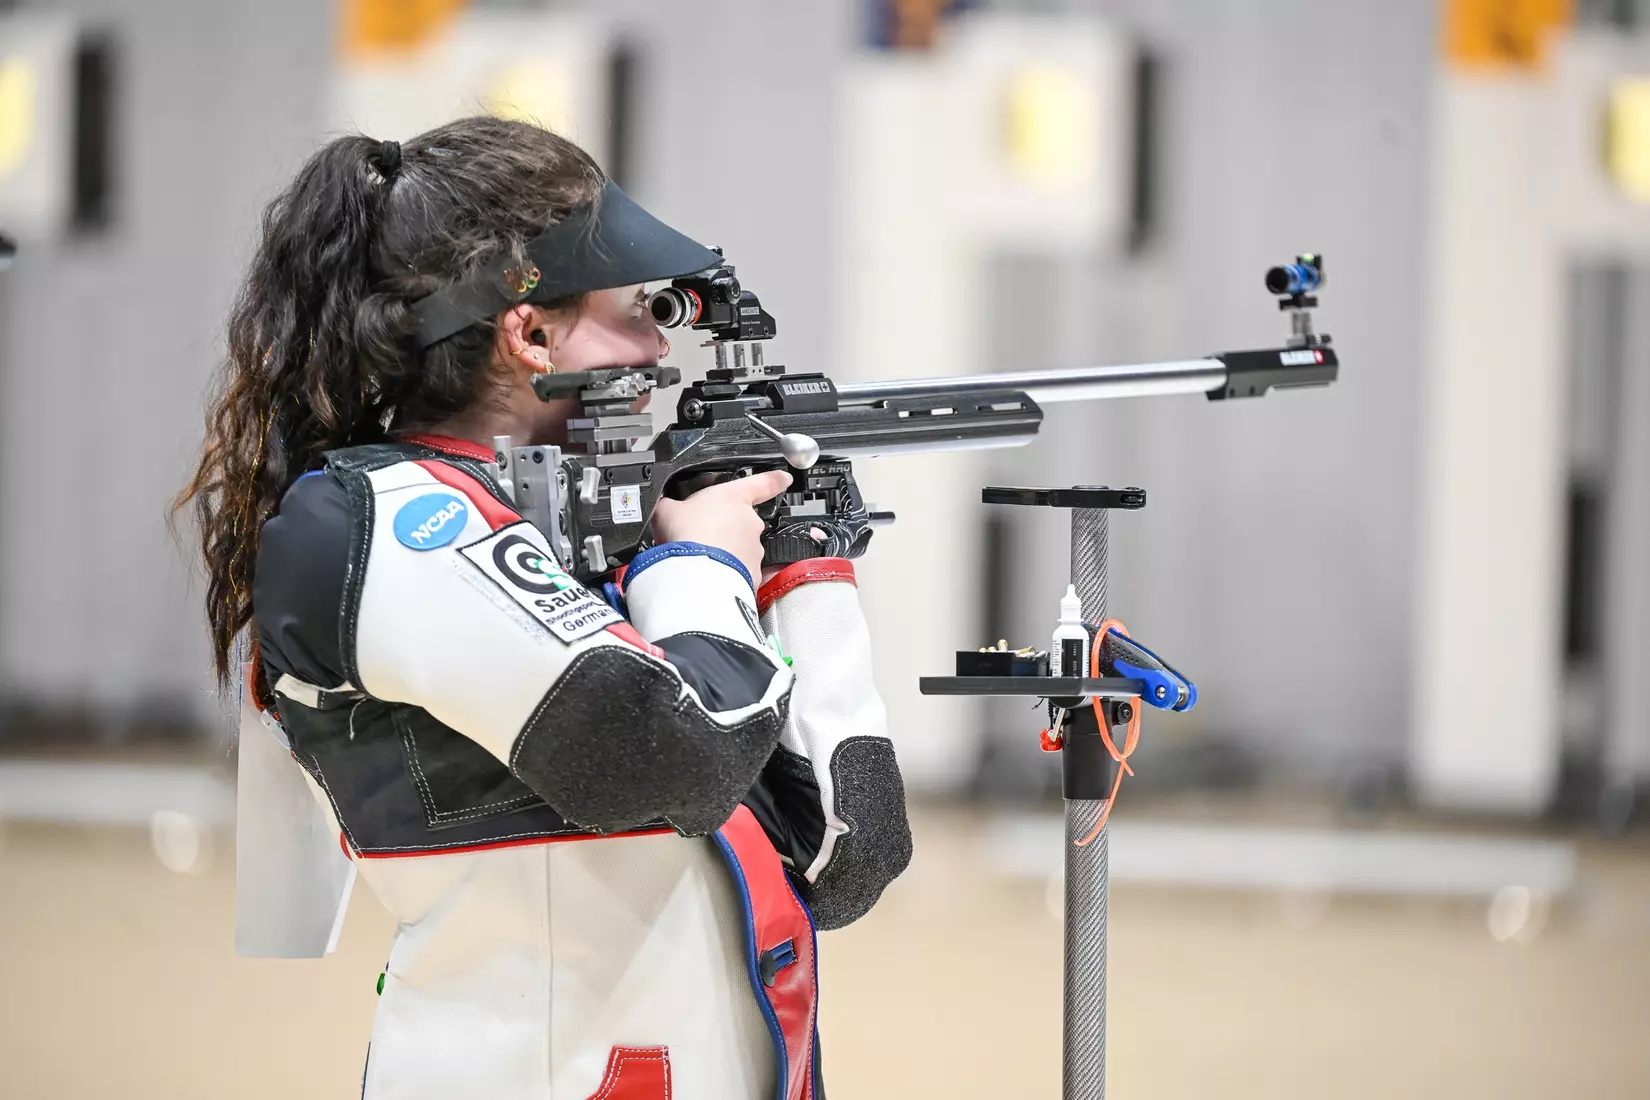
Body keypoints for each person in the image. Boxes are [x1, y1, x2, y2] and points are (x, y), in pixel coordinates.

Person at [176, 116, 911, 1100]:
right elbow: (666, 760)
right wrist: (697, 565)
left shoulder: (581, 540)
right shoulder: (390, 519)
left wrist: (806, 574)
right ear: (529, 333)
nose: (661, 346)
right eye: (637, 312)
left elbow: (855, 854)